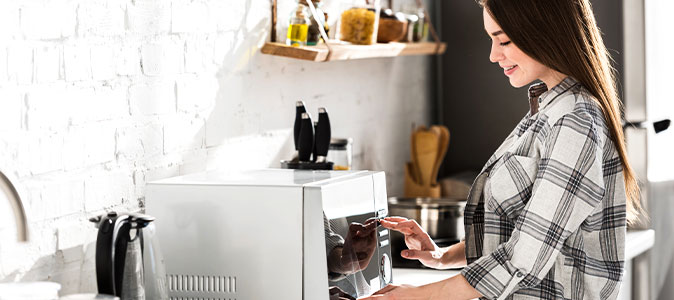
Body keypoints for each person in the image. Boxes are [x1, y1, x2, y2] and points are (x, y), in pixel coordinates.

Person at [360, 0, 643, 299]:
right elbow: (523, 230)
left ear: (545, 32)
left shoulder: (574, 122)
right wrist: (443, 256)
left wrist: (416, 295)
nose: (494, 55)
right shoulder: (549, 108)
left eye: (504, 40)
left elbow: (524, 258)